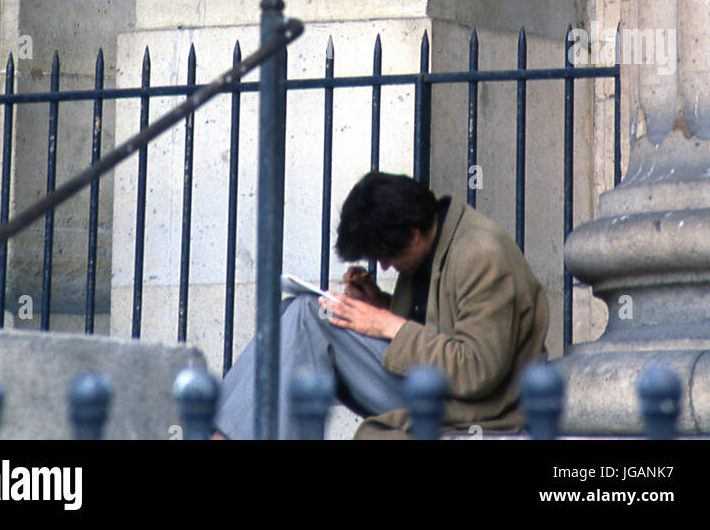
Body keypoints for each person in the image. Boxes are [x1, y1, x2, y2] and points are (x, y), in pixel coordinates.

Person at [211, 171, 549, 440]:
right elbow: (435, 323)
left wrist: (386, 323)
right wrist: (378, 305)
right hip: (429, 385)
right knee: (298, 310)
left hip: (478, 406)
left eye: (387, 256)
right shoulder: (431, 243)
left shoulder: (480, 255)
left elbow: (477, 370)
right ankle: (221, 428)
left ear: (414, 234)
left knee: (307, 316)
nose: (385, 267)